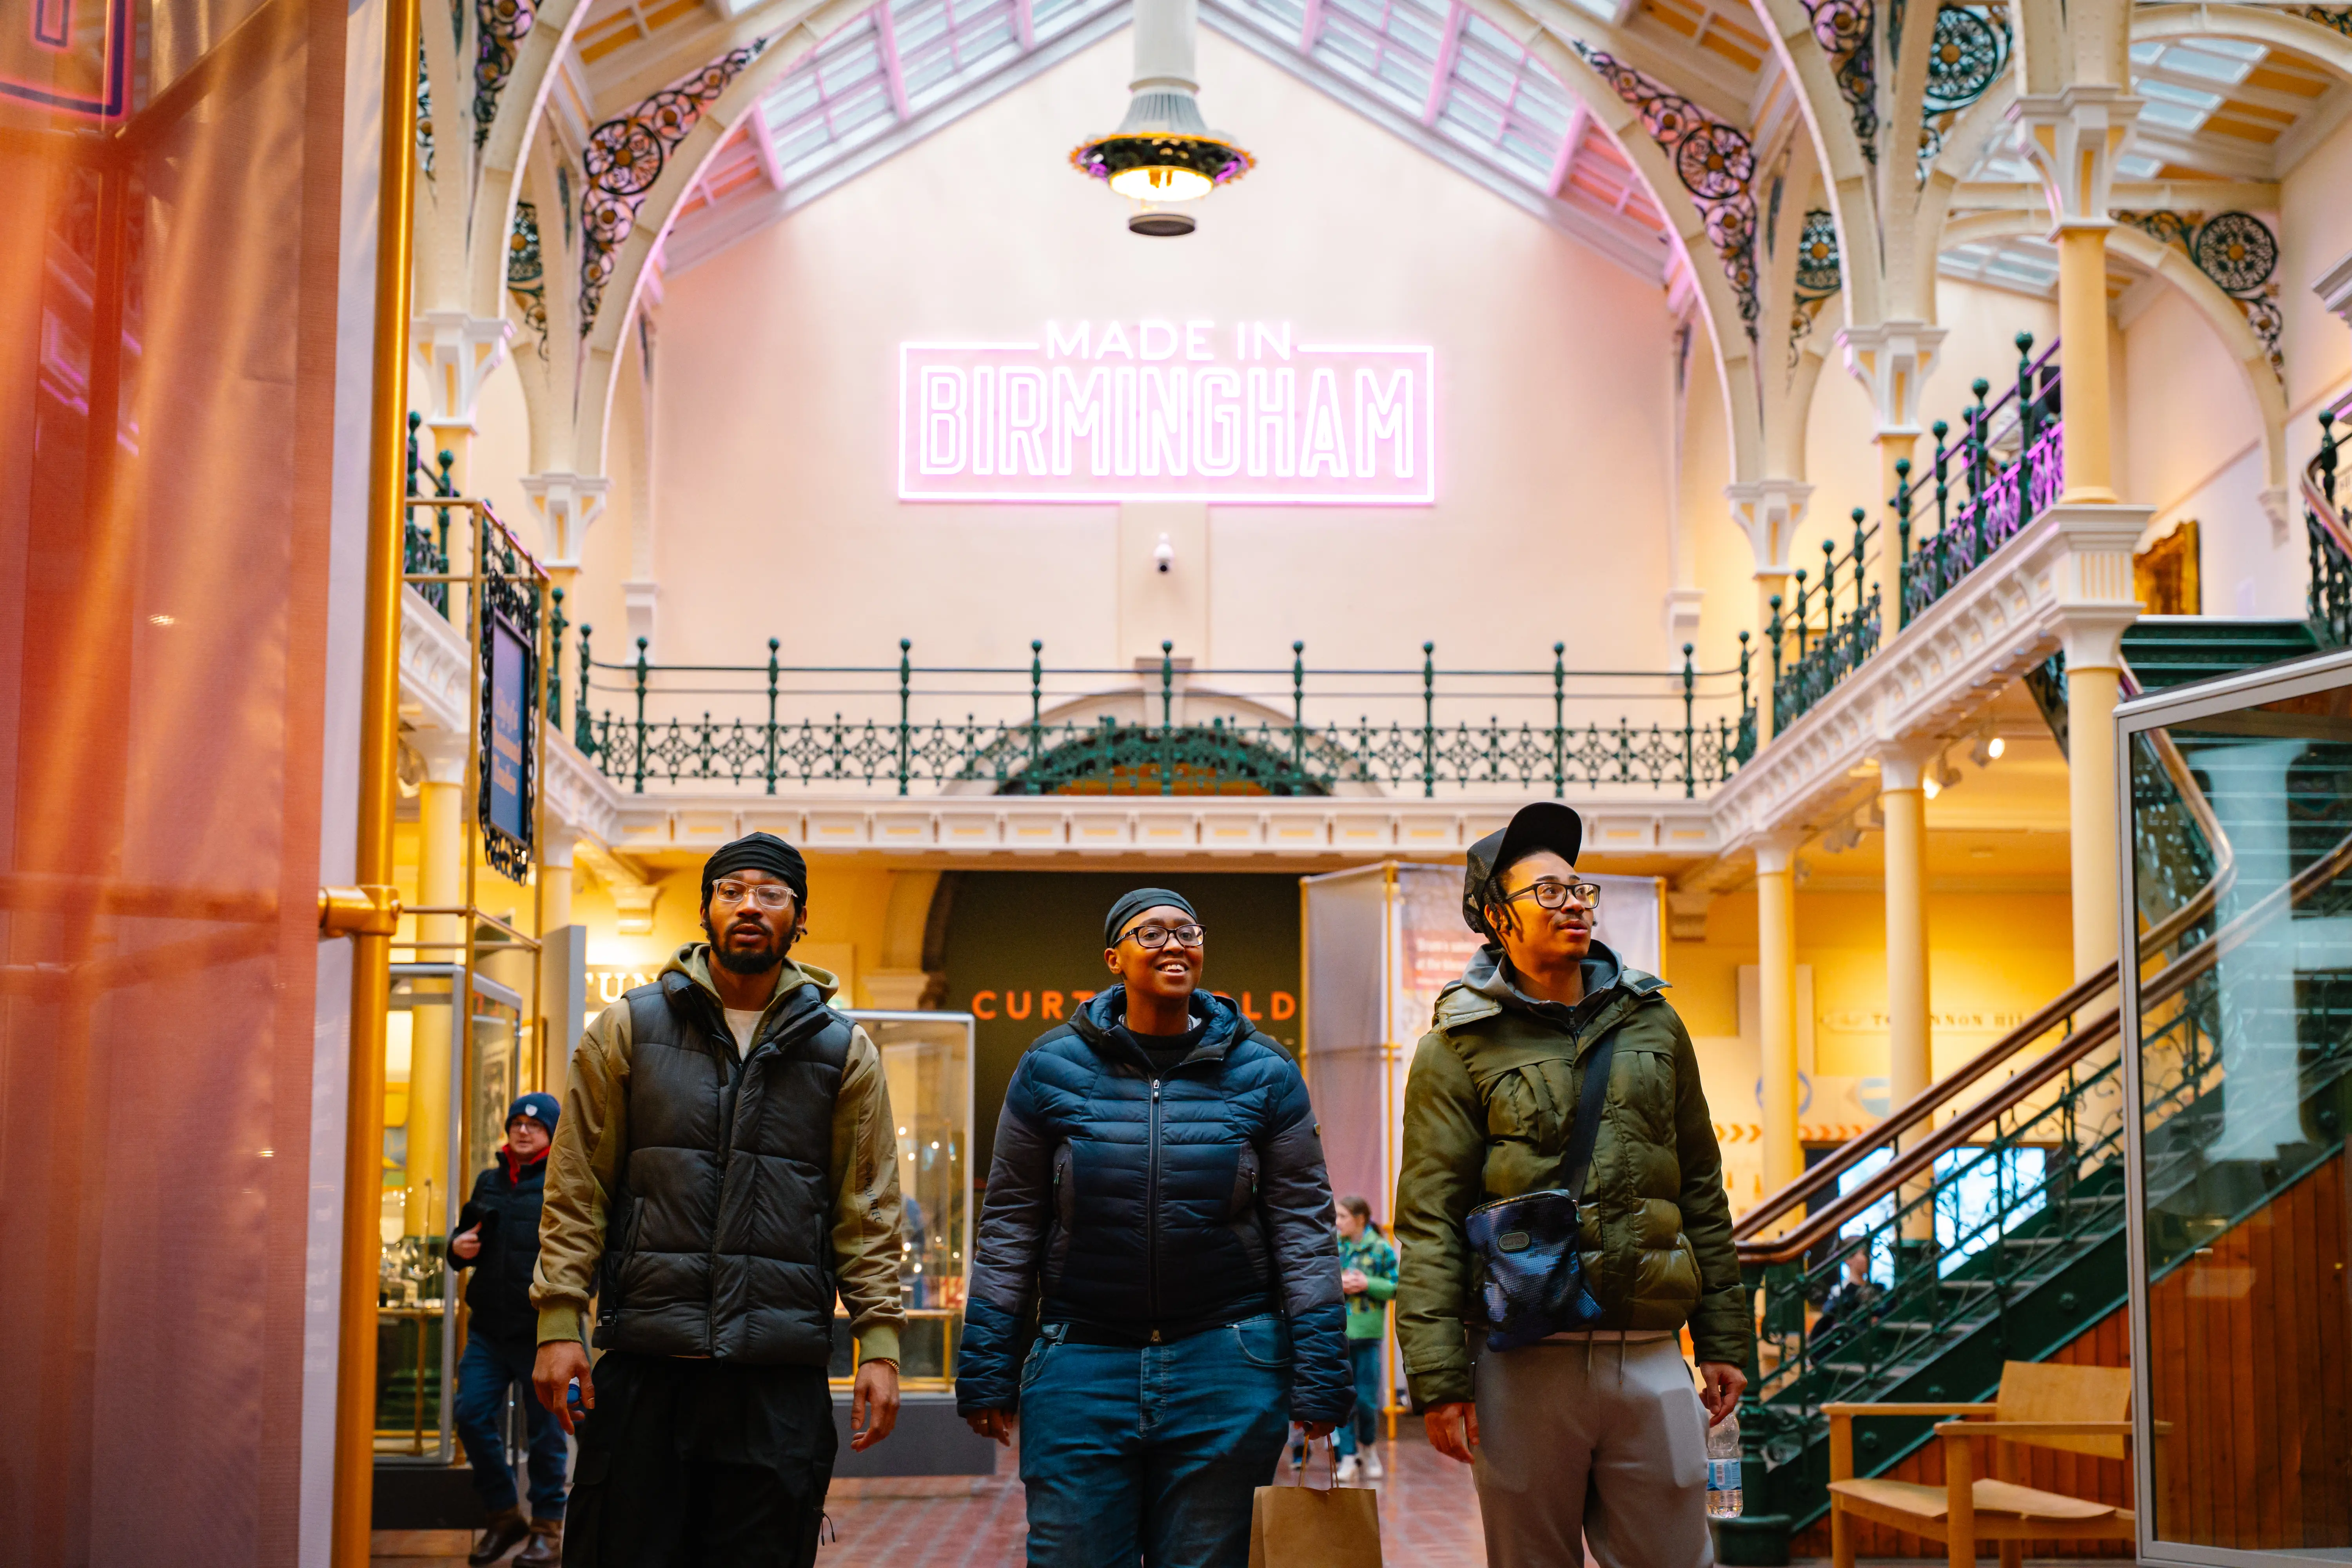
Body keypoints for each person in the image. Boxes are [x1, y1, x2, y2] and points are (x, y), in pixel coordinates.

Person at [530, 832, 907, 1568]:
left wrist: (881, 1343)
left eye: (771, 894)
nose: (749, 907)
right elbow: (578, 1186)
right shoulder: (629, 1029)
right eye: (732, 891)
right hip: (648, 1362)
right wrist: (558, 1321)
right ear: (705, 910)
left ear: (799, 919)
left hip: (777, 1372)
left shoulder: (842, 1050)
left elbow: (867, 1207)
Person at [1395, 802, 1752, 1568]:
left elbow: (1701, 1187)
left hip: (1651, 1346)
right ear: (1496, 916)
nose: (1573, 904)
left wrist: (1724, 1337)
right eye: (1549, 892)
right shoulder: (1456, 1044)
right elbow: (1428, 1219)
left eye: (1580, 890)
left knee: (1678, 1557)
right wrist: (1439, 1378)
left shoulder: (1654, 1022)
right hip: (1523, 1353)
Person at [956, 887, 1353, 1568]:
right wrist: (987, 1365)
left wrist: (1322, 1371)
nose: (1174, 944)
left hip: (1228, 1365)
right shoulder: (1050, 1067)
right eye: (1152, 933)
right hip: (1082, 1364)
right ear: (1114, 958)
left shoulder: (1266, 1071)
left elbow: (1304, 1230)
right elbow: (1011, 1226)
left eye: (1188, 931)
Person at [452, 1093, 568, 1566]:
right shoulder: (489, 1180)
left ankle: (547, 1528)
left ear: (552, 1134)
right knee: (471, 1414)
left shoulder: (565, 1184)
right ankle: (504, 1516)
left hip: (543, 1332)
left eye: (535, 1126)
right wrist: (457, 1247)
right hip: (488, 1331)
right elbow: (467, 1242)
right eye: (517, 1123)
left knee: (548, 1432)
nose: (523, 1131)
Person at [1332, 1195, 1397, 1485]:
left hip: (1368, 1336)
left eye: (1343, 1216)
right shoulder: (1334, 1246)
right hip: (1340, 1334)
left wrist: (1367, 1284)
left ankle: (1369, 1449)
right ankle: (1347, 1456)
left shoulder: (1381, 1248)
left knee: (1368, 1401)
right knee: (1343, 1400)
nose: (1338, 1222)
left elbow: (1396, 1286)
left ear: (1360, 1219)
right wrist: (1340, 1284)